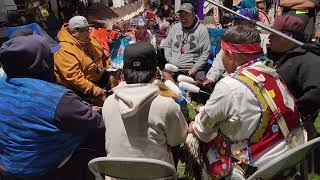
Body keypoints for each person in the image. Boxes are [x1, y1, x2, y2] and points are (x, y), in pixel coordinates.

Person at [189, 26, 306, 179]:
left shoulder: (228, 85)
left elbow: (203, 131)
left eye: (221, 54)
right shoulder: (273, 74)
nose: (221, 59)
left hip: (258, 167)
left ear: (230, 55)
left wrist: (194, 126)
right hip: (288, 157)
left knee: (195, 138)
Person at [0, 35, 105, 180]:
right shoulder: (57, 97)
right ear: (40, 62)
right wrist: (89, 111)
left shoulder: (3, 85)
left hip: (10, 168)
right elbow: (97, 125)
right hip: (48, 170)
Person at [102, 42, 187, 165]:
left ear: (123, 73)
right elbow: (177, 139)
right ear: (156, 72)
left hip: (117, 175)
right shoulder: (166, 105)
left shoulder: (109, 102)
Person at [268, 15, 320, 123]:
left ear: (288, 36)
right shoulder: (284, 55)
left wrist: (292, 113)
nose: (269, 38)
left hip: (297, 128)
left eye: (273, 35)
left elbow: (316, 93)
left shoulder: (309, 60)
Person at [203, 8, 270, 87]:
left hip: (253, 81)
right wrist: (211, 78)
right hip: (229, 80)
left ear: (252, 24)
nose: (237, 25)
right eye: (236, 22)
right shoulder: (231, 40)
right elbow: (220, 60)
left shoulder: (262, 41)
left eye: (240, 22)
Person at [54, 16, 108, 104]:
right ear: (73, 32)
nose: (88, 33)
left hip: (94, 77)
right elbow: (74, 77)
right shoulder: (64, 50)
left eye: (88, 29)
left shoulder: (90, 41)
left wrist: (108, 66)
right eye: (84, 30)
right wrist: (94, 89)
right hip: (76, 88)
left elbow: (102, 57)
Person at [163, 2, 211, 81]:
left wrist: (195, 68)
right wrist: (169, 59)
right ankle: (176, 93)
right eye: (181, 15)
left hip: (192, 68)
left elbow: (206, 52)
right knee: (165, 74)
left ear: (193, 15)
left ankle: (189, 93)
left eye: (186, 14)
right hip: (174, 66)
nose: (183, 18)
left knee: (200, 82)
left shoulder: (202, 30)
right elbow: (167, 45)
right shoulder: (175, 28)